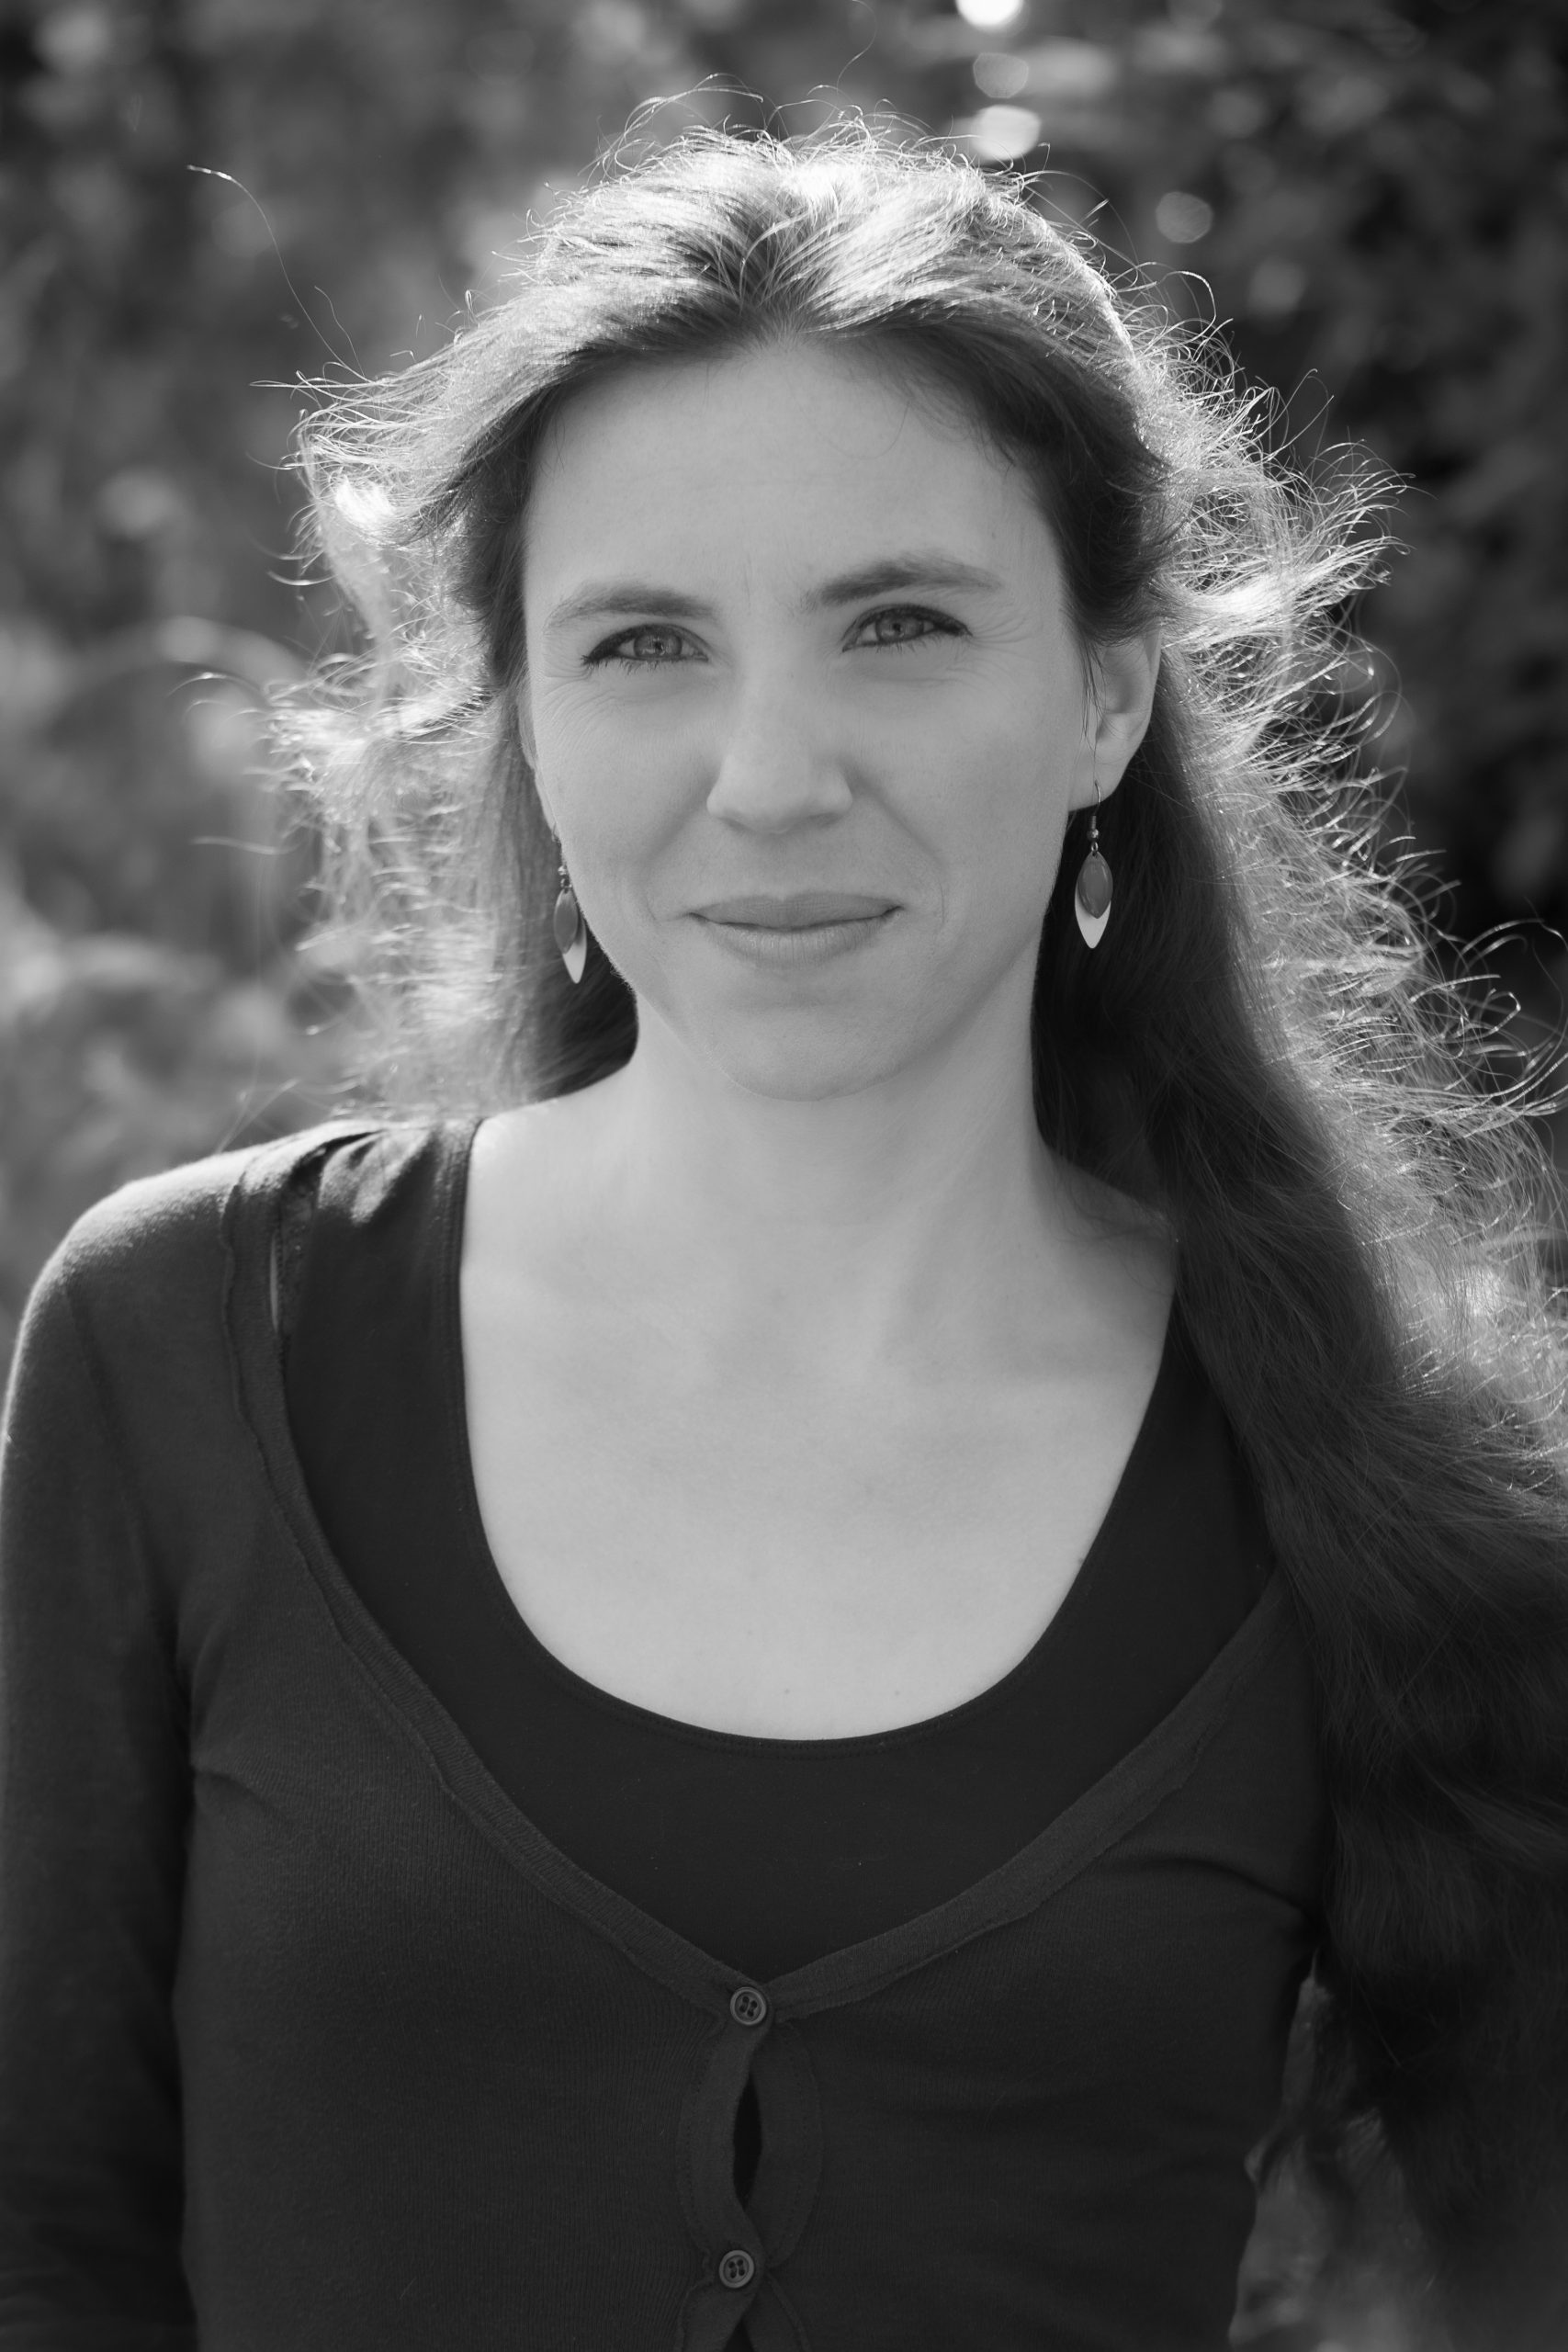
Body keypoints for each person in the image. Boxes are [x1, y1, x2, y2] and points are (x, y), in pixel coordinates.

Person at [2, 120, 1566, 2352]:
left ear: (1105, 689)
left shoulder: (1369, 1488)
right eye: (643, 641)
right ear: (523, 714)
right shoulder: (186, 1341)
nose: (767, 773)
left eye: (896, 624)